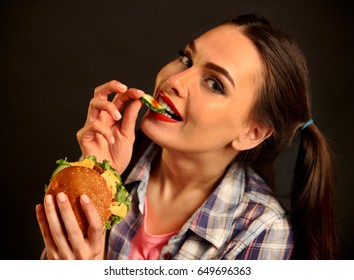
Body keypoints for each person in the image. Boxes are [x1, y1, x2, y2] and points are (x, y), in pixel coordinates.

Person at [36, 13, 336, 260]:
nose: (175, 80)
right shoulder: (114, 165)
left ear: (252, 133)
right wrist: (95, 174)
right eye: (187, 59)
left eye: (215, 84)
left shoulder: (262, 230)